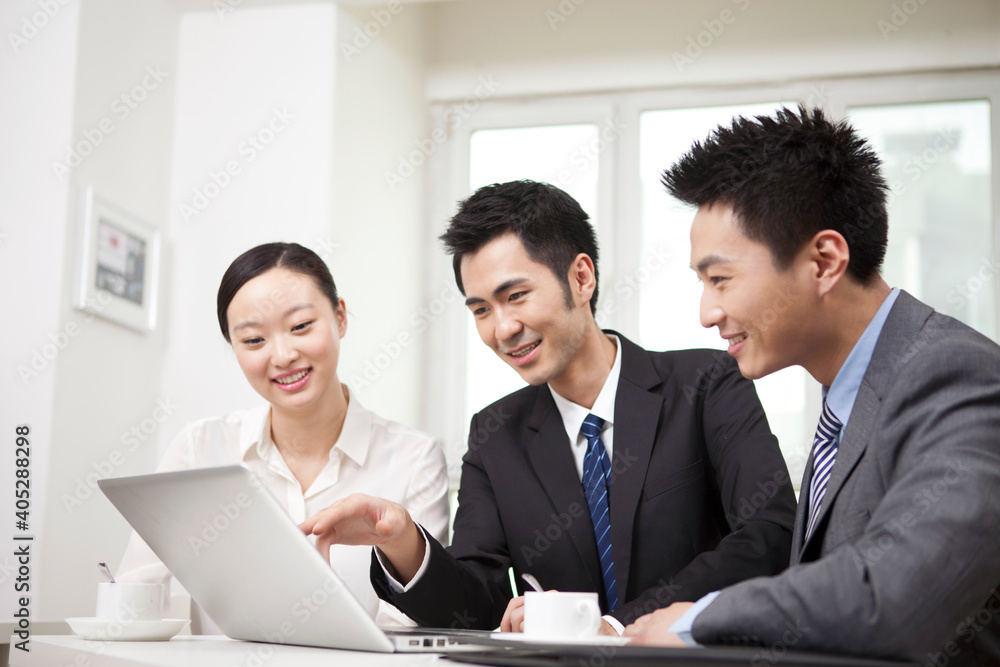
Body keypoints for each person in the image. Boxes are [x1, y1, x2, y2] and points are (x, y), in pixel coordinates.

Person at [300, 180, 797, 634]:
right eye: (480, 310)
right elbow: (478, 601)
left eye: (515, 296)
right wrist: (403, 539)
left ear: (581, 278)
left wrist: (615, 626)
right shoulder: (495, 433)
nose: (502, 329)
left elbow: (768, 534)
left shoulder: (705, 384)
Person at [623, 107, 1000, 665]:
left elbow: (892, 596)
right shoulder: (846, 404)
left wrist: (697, 618)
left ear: (824, 261)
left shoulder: (953, 374)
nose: (707, 312)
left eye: (720, 279)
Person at [117, 242, 449, 631]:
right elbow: (135, 598)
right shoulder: (200, 448)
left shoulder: (415, 459)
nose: (283, 355)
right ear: (234, 347)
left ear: (340, 317)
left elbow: (410, 629)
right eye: (254, 340)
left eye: (301, 327)